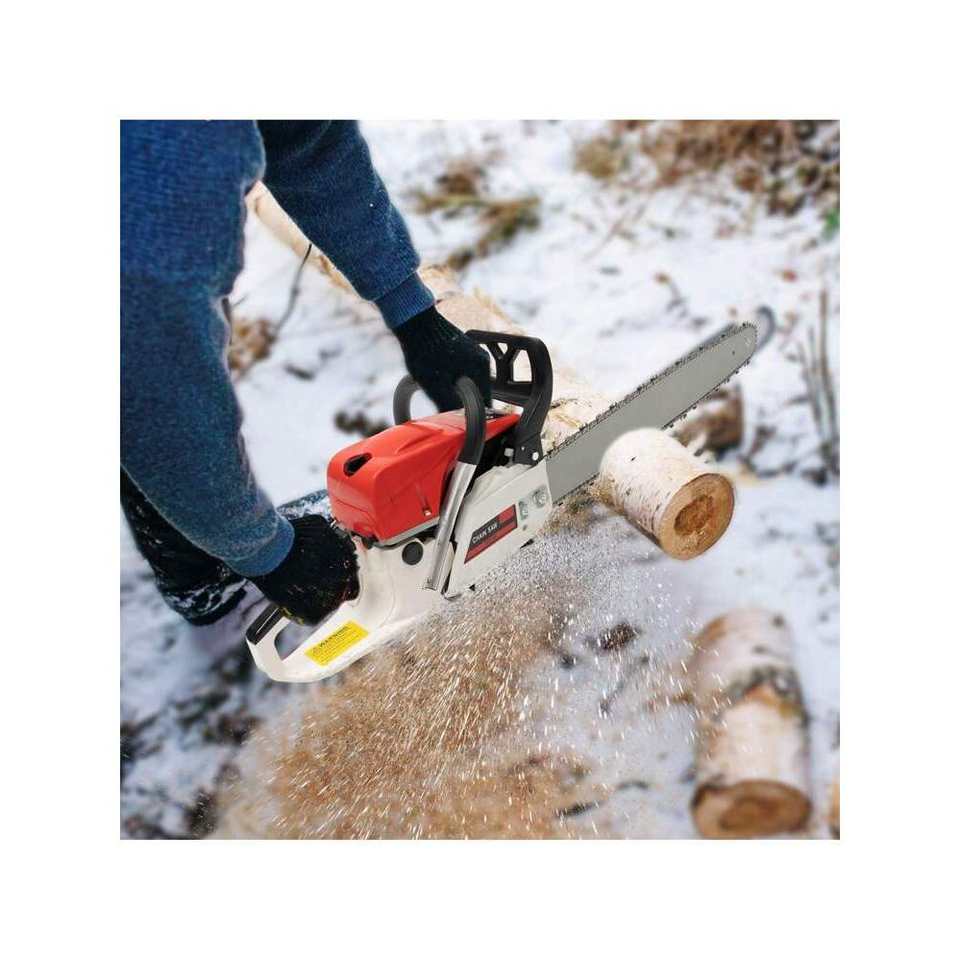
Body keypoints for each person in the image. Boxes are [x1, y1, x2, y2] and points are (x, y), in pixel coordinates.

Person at [121, 120, 491, 626]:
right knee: (153, 376)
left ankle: (196, 554)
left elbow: (308, 140)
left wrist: (410, 310)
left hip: (149, 275)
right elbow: (153, 382)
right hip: (140, 280)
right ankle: (197, 568)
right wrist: (264, 551)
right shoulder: (163, 169)